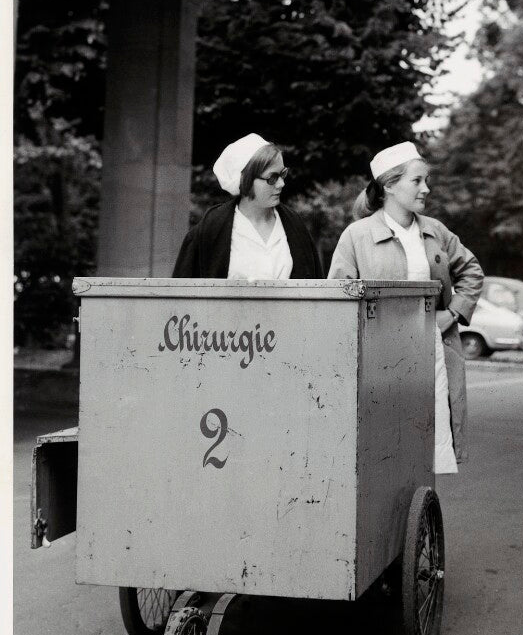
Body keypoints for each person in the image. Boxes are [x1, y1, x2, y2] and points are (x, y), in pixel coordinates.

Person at [328, 141, 483, 473]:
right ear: (389, 185)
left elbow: (471, 270)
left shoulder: (435, 231)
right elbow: (339, 300)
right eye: (417, 181)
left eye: (426, 180)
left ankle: (421, 520)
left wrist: (453, 313)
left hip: (435, 355)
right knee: (384, 451)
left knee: (431, 447)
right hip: (380, 358)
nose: (426, 189)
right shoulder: (357, 236)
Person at [173, 133, 322, 280]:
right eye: (272, 178)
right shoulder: (213, 227)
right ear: (246, 180)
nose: (281, 184)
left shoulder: (294, 224)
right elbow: (184, 291)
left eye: (282, 174)